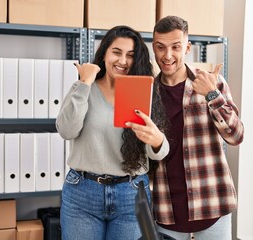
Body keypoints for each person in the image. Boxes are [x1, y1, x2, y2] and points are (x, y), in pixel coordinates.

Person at [56, 25, 170, 240]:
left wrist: (156, 140)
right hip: (82, 192)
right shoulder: (83, 88)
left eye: (130, 55)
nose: (123, 61)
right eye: (117, 52)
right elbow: (66, 130)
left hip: (132, 194)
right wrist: (85, 82)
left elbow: (158, 152)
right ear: (105, 53)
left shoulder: (145, 93)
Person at [150, 15, 244, 240]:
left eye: (176, 47)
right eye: (160, 47)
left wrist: (213, 95)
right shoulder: (149, 92)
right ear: (153, 48)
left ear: (188, 48)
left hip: (212, 203)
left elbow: (236, 135)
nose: (168, 55)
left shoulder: (213, 82)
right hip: (167, 208)